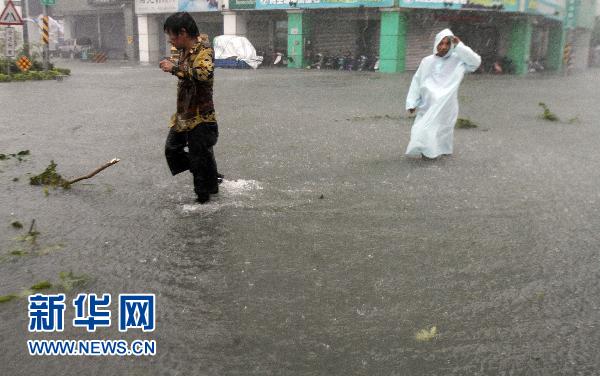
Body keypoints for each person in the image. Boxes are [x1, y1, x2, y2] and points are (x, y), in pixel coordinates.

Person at [160, 12, 220, 204]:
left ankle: (204, 205)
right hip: (183, 115)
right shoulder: (181, 50)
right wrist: (173, 65)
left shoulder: (205, 49)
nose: (170, 40)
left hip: (201, 117)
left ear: (183, 32)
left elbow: (204, 74)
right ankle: (209, 173)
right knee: (172, 150)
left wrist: (175, 69)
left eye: (172, 35)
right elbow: (184, 71)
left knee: (200, 175)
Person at [405, 29, 481, 160]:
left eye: (447, 43)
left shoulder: (458, 61)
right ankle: (428, 152)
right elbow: (416, 82)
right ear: (436, 44)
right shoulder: (427, 61)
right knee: (422, 128)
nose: (443, 47)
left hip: (446, 104)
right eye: (441, 43)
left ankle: (434, 153)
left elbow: (475, 62)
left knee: (442, 130)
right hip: (427, 104)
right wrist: (412, 102)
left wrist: (460, 46)